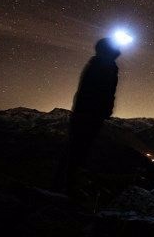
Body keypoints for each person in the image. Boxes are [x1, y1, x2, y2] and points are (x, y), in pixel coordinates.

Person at [53, 37, 120, 194]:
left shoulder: (101, 65)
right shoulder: (103, 66)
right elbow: (98, 91)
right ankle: (66, 186)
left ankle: (66, 184)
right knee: (77, 149)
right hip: (89, 114)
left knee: (78, 148)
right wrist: (102, 109)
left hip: (88, 113)